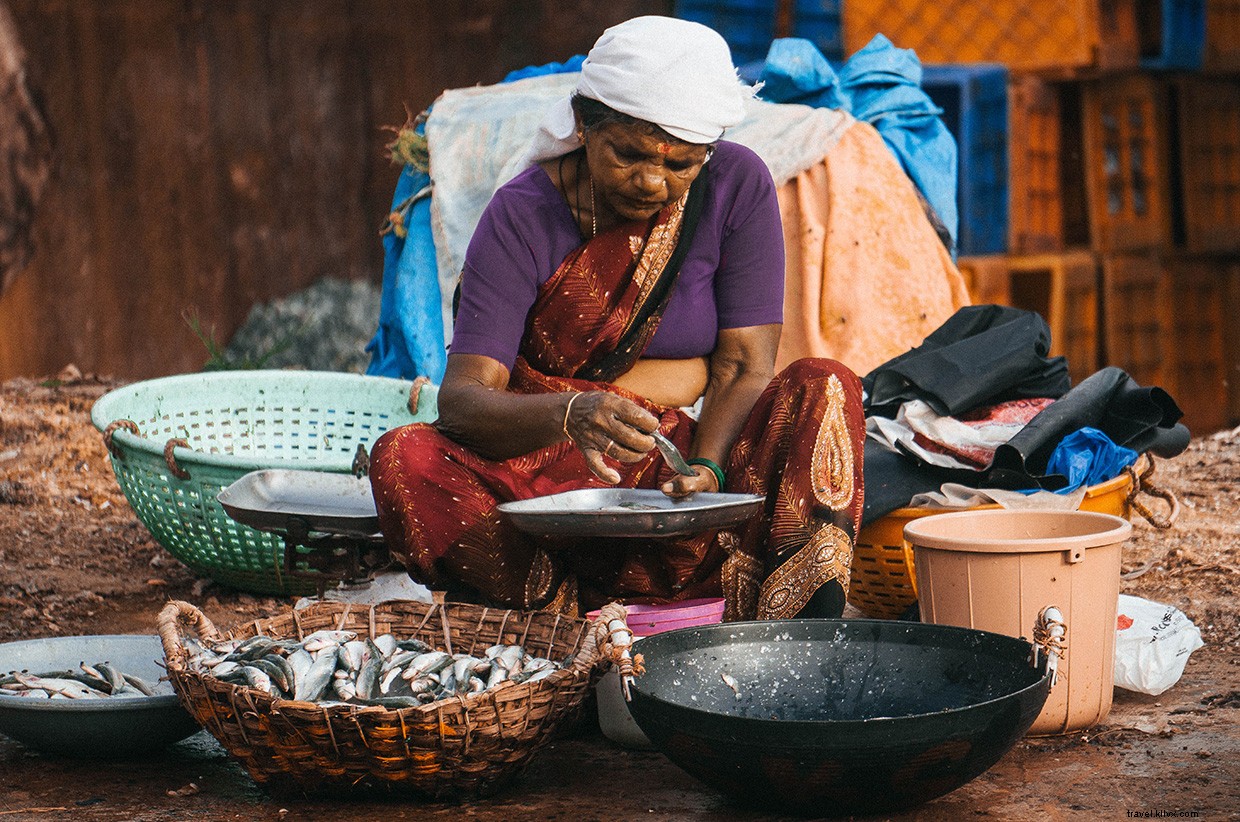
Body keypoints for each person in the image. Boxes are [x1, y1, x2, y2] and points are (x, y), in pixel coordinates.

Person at [370, 16, 865, 621]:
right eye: (627, 155)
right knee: (405, 458)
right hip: (547, 476)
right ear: (584, 123)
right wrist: (571, 412)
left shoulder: (736, 185)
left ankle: (794, 625)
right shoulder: (521, 216)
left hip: (674, 469)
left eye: (681, 166)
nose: (652, 181)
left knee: (824, 384)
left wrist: (706, 469)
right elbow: (466, 401)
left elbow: (743, 367)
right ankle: (566, 621)